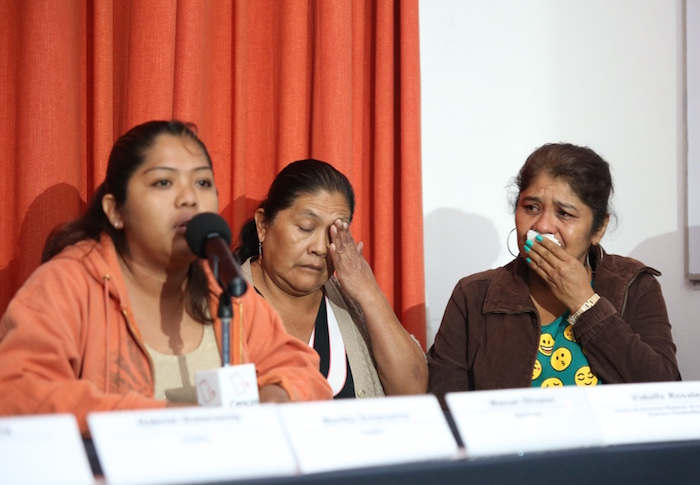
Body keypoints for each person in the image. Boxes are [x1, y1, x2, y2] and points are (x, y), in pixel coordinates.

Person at [0, 121, 332, 434]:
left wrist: (276, 398)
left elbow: (303, 373)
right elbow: (17, 395)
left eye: (202, 183)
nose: (189, 198)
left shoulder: (223, 286)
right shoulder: (68, 283)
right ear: (116, 210)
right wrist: (173, 421)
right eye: (163, 182)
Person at [428, 143, 680, 395]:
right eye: (531, 208)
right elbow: (444, 402)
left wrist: (585, 304)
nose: (543, 226)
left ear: (599, 228)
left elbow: (665, 393)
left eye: (565, 213)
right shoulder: (473, 295)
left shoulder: (634, 285)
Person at [234, 159, 428, 398]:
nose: (320, 248)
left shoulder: (351, 304)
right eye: (306, 228)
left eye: (333, 233)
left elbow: (413, 390)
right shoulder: (220, 300)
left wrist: (369, 293)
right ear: (263, 224)